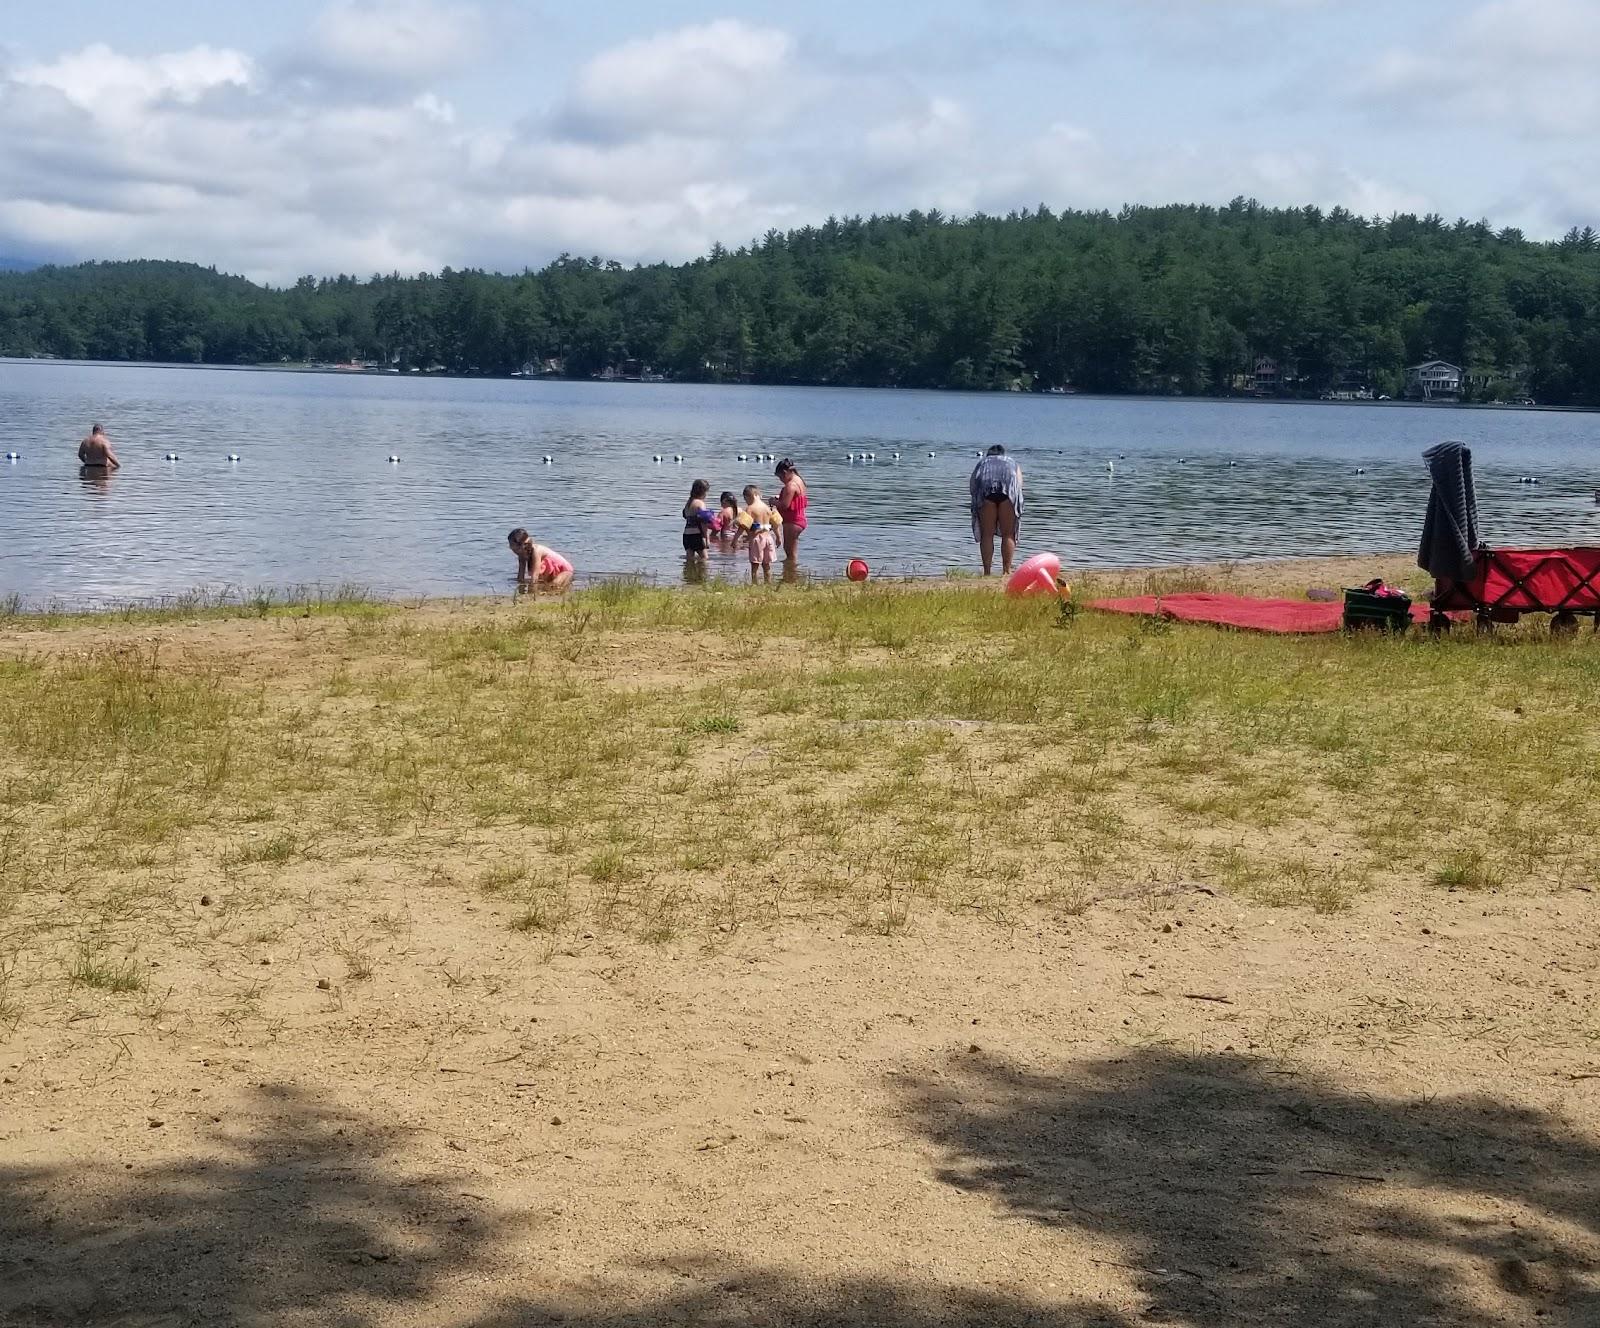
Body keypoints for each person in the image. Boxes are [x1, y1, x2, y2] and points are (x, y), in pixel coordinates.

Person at [969, 444, 1023, 576]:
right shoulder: (1012, 462)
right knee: (1008, 534)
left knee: (987, 534)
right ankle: (1006, 571)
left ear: (989, 454)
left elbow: (972, 485)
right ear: (1003, 454)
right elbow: (1019, 485)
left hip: (986, 493)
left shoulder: (982, 462)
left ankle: (987, 572)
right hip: (1008, 494)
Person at [507, 528, 574, 591]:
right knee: (543, 586)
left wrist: (531, 593)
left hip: (564, 571)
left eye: (512, 545)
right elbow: (520, 576)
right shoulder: (521, 554)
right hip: (550, 573)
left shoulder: (536, 551)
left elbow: (535, 576)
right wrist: (520, 589)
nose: (510, 547)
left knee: (553, 586)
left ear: (522, 545)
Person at [742, 484, 779, 584]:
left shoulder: (749, 509)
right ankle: (768, 583)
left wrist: (735, 539)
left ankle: (754, 584)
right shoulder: (768, 508)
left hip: (757, 540)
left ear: (750, 496)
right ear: (759, 495)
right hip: (768, 539)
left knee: (755, 565)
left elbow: (743, 526)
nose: (746, 502)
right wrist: (778, 538)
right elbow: (775, 524)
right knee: (767, 566)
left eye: (745, 499)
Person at [774, 458, 808, 565]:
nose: (780, 480)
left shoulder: (791, 485)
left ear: (785, 473)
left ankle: (790, 576)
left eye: (780, 477)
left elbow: (784, 505)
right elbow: (794, 499)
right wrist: (780, 498)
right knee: (792, 550)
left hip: (792, 522)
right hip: (799, 519)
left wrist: (773, 501)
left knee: (789, 552)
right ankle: (791, 573)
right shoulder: (799, 480)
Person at [682, 479, 713, 560]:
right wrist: (706, 538)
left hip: (686, 535)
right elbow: (703, 523)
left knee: (689, 559)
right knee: (704, 558)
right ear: (703, 492)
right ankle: (702, 573)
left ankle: (689, 572)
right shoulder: (700, 503)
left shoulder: (688, 504)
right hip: (697, 535)